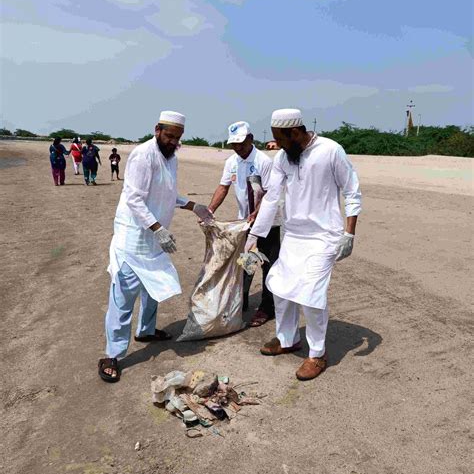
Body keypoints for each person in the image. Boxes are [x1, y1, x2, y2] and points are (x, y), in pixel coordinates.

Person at [245, 108, 362, 381]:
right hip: (294, 235)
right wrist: (253, 238)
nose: (278, 146)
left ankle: (317, 354)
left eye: (281, 139)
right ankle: (287, 339)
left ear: (295, 133)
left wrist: (349, 234)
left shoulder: (330, 151)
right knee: (281, 287)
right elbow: (272, 197)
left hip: (324, 237)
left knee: (311, 293)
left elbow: (352, 191)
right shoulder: (284, 158)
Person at [98, 111, 214, 383]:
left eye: (177, 138)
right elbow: (134, 199)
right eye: (169, 136)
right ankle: (111, 354)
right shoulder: (143, 155)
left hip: (153, 238)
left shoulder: (171, 157)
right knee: (123, 298)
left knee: (154, 288)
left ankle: (146, 330)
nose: (173, 142)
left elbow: (167, 194)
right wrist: (158, 228)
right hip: (133, 238)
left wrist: (193, 206)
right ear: (157, 130)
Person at [208, 121, 281, 327]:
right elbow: (223, 187)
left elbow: (269, 195)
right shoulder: (232, 162)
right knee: (246, 264)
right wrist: (210, 210)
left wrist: (257, 214)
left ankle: (268, 308)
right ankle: (242, 300)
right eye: (234, 144)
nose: (237, 148)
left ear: (251, 139)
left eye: (241, 143)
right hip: (246, 223)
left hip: (268, 224)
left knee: (269, 265)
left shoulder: (263, 162)